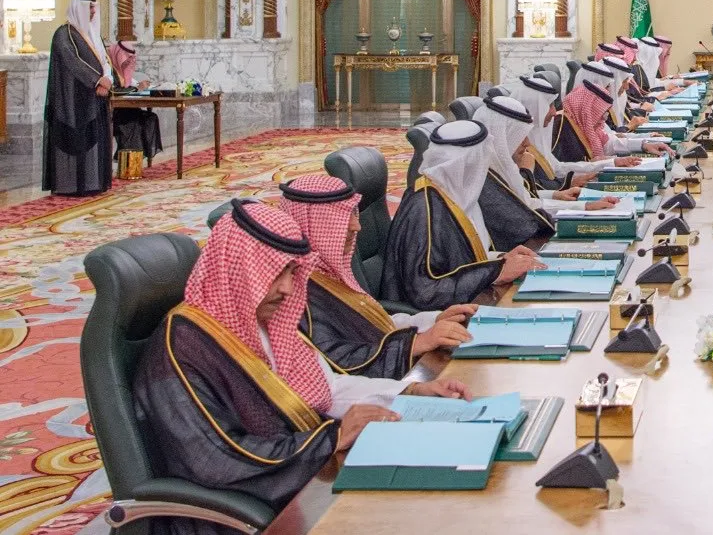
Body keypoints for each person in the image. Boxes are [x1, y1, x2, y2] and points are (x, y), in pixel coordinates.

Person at [133, 200, 471, 534]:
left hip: (304, 478)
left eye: (292, 272)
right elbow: (217, 458)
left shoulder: (260, 321)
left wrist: (410, 392)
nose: (288, 289)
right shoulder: (184, 345)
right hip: (246, 508)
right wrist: (331, 439)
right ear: (239, 269)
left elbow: (326, 388)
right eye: (274, 273)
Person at [281, 174, 476, 379]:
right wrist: (415, 344)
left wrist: (433, 319)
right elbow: (338, 364)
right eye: (343, 218)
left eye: (354, 214)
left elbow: (373, 325)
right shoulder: (296, 291)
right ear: (316, 224)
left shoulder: (327, 271)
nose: (357, 226)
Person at [380, 119, 544, 311]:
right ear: (470, 162)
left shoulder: (453, 195)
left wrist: (501, 258)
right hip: (432, 322)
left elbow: (459, 259)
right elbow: (426, 291)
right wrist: (495, 271)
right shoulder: (424, 208)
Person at [42, 0, 114, 196]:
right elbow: (73, 61)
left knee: (94, 139)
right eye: (89, 8)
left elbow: (104, 60)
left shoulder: (92, 34)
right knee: (73, 140)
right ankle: (70, 186)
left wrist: (107, 79)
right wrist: (97, 80)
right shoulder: (63, 34)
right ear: (79, 9)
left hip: (94, 98)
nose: (93, 12)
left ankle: (93, 183)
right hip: (71, 99)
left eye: (94, 8)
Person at [472, 96, 558, 248]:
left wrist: (582, 207)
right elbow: (523, 223)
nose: (527, 143)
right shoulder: (483, 178)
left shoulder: (501, 168)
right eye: (520, 136)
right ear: (501, 136)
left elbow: (526, 204)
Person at [107, 39, 162, 162]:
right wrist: (137, 88)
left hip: (127, 109)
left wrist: (140, 86)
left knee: (150, 118)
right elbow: (113, 91)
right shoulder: (109, 70)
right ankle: (127, 162)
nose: (129, 62)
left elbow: (129, 85)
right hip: (112, 112)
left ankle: (137, 161)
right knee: (132, 122)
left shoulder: (120, 70)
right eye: (127, 58)